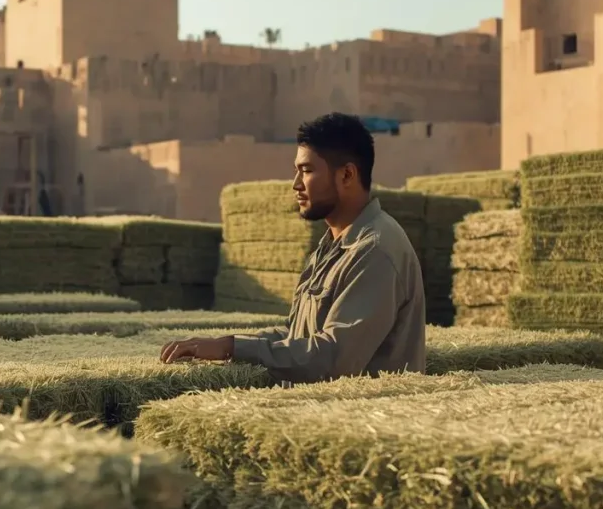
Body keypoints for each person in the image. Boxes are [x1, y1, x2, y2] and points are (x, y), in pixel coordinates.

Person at [159, 112, 426, 383]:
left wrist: (231, 347)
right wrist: (225, 345)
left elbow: (333, 357)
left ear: (347, 174)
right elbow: (296, 338)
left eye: (307, 171)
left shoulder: (374, 251)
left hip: (366, 422)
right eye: (296, 171)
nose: (296, 185)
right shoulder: (330, 247)